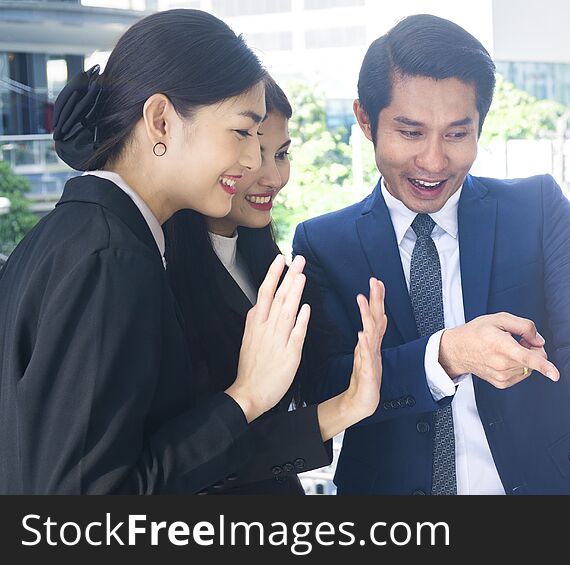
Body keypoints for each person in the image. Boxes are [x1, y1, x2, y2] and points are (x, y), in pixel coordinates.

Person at [0, 9, 383, 494]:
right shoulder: (111, 258)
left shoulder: (74, 236)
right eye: (242, 133)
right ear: (161, 120)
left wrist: (342, 404)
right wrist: (244, 397)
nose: (252, 162)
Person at [293, 14, 570, 495]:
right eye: (410, 133)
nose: (433, 160)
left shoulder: (539, 209)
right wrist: (445, 355)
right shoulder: (323, 244)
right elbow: (323, 389)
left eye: (455, 133)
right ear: (366, 120)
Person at [164, 77, 387, 494]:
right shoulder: (159, 273)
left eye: (281, 154)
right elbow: (190, 465)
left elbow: (260, 436)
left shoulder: (271, 266)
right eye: (249, 150)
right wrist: (342, 409)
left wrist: (355, 396)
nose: (272, 176)